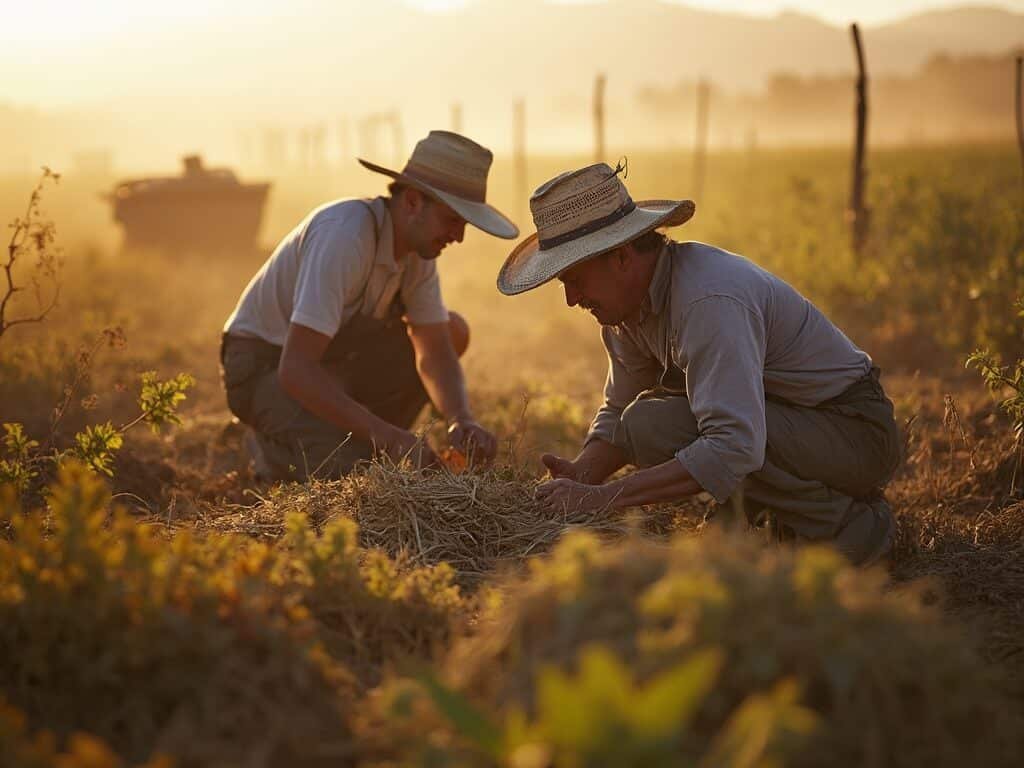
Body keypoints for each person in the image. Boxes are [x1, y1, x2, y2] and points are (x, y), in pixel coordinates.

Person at [497, 162, 900, 565]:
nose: (571, 299)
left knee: (671, 426)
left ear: (620, 258)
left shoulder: (708, 301)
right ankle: (756, 513)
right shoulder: (625, 309)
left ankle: (853, 527)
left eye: (574, 280)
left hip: (854, 431)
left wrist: (603, 499)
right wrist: (582, 473)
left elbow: (734, 445)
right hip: (792, 423)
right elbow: (621, 409)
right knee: (644, 423)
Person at [221, 130, 518, 480]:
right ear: (411, 203)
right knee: (358, 472)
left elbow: (435, 350)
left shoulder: (418, 253)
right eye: (452, 219)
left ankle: (356, 439)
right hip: (263, 366)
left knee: (452, 331)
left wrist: (461, 419)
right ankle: (268, 445)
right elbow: (297, 368)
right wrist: (389, 437)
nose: (459, 235)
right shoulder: (344, 236)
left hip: (332, 358)